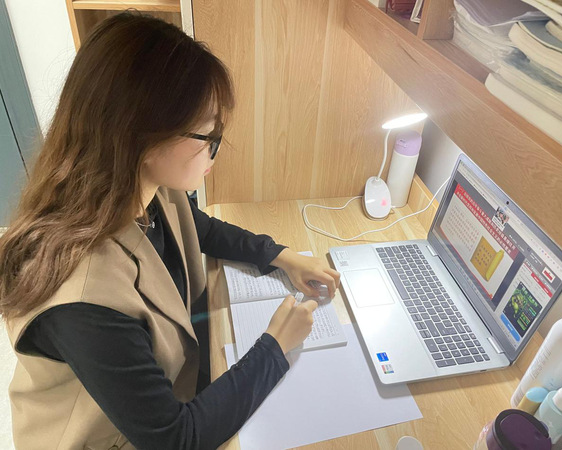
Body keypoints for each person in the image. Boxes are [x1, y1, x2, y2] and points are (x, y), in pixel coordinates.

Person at [0, 12, 340, 450]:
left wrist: (281, 256)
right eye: (207, 134)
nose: (215, 148)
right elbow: (176, 439)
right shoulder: (84, 301)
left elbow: (198, 228)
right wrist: (276, 346)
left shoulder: (138, 189)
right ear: (143, 138)